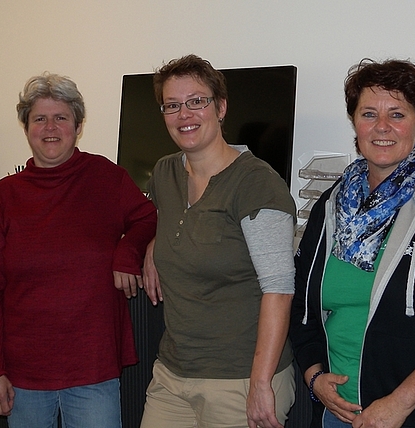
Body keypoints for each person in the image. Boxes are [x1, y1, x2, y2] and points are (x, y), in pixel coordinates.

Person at [0, 72, 157, 428]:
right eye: (39, 118)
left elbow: (147, 218)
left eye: (61, 117)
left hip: (92, 367)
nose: (50, 127)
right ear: (26, 127)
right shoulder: (3, 196)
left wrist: (127, 252)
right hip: (23, 375)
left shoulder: (106, 178)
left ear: (78, 125)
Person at [140, 54, 297, 428]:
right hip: (172, 374)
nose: (185, 114)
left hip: (240, 381)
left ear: (221, 107)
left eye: (197, 101)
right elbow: (174, 223)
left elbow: (279, 289)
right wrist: (151, 247)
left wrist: (260, 384)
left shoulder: (256, 183)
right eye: (172, 105)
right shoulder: (164, 172)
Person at [290, 59, 415, 427]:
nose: (382, 127)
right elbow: (301, 304)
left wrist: (399, 404)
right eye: (368, 113)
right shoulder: (331, 205)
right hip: (338, 412)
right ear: (355, 123)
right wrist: (314, 375)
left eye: (397, 114)